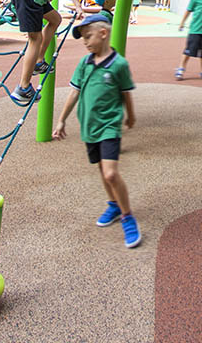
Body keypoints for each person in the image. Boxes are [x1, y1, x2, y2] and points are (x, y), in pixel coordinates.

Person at [53, 13, 140, 249]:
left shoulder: (119, 64)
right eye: (83, 38)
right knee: (102, 169)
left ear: (103, 33)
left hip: (109, 126)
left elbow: (125, 93)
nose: (85, 42)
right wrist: (61, 120)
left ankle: (127, 217)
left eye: (88, 36)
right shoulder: (85, 63)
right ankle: (113, 204)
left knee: (111, 173)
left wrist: (130, 116)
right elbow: (74, 92)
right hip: (89, 126)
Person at [8, 0, 94, 103]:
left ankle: (39, 61)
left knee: (55, 19)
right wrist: (77, 5)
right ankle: (23, 87)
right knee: (35, 38)